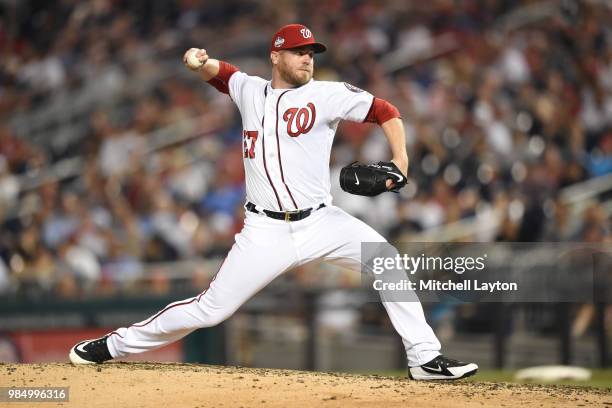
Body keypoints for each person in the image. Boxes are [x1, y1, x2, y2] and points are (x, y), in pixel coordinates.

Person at [69, 24, 478, 380]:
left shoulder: (327, 95)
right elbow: (223, 74)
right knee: (211, 310)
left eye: (311, 52)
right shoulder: (249, 90)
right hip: (265, 231)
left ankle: (425, 358)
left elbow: (385, 110)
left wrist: (400, 160)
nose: (307, 58)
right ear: (276, 56)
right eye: (299, 52)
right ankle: (114, 345)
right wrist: (198, 63)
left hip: (321, 222)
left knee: (386, 259)